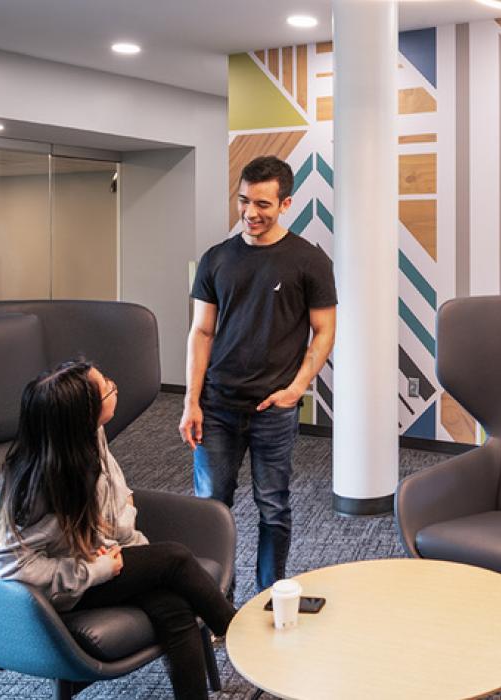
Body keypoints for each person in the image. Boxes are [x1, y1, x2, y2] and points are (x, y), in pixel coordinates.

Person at [0, 361, 236, 700]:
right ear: (85, 414)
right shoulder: (42, 488)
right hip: (75, 588)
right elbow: (8, 566)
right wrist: (96, 569)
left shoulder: (89, 436)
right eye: (105, 385)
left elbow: (111, 504)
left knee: (175, 609)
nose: (113, 385)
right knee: (175, 558)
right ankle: (243, 636)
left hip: (108, 555)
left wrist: (120, 516)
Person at [178, 155, 337, 592]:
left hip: (274, 409)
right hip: (216, 406)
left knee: (274, 508)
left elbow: (324, 332)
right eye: (244, 201)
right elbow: (201, 331)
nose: (250, 213)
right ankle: (215, 602)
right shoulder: (216, 259)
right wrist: (191, 400)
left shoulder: (309, 261)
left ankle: (271, 597)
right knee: (212, 508)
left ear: (286, 203)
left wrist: (297, 388)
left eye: (263, 204)